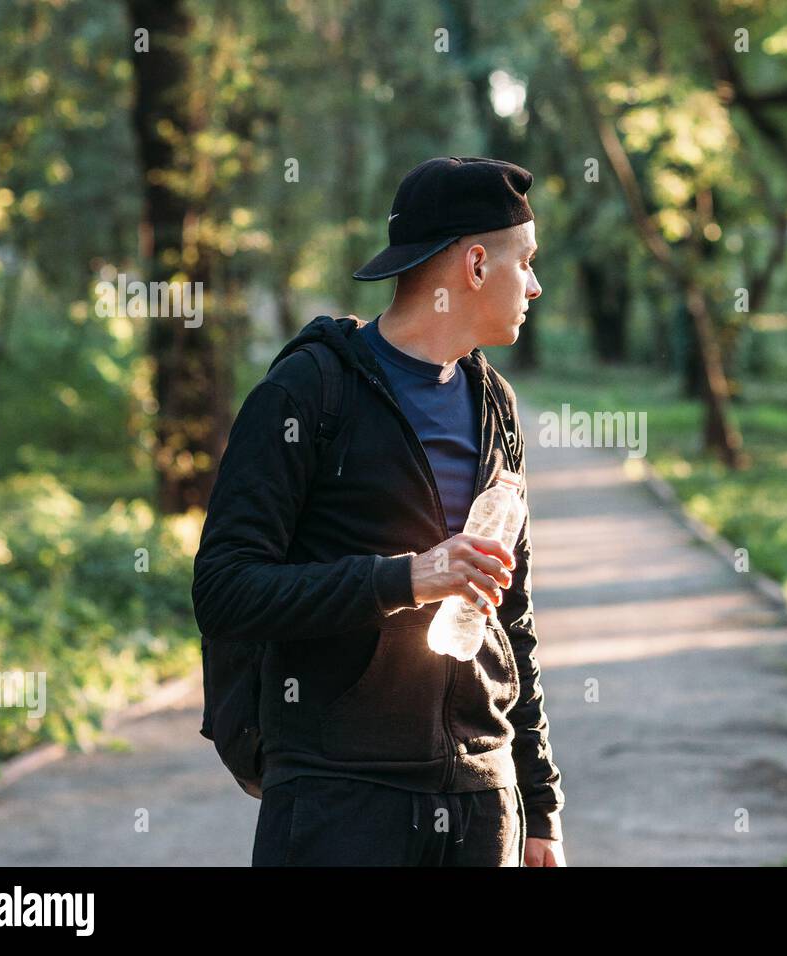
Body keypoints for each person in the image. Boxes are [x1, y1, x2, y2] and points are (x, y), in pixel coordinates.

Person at [191, 156, 566, 866]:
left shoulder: (497, 408)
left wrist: (539, 806)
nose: (537, 285)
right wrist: (406, 579)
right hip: (340, 799)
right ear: (477, 265)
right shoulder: (306, 395)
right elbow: (225, 590)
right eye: (528, 262)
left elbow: (510, 610)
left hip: (482, 799)